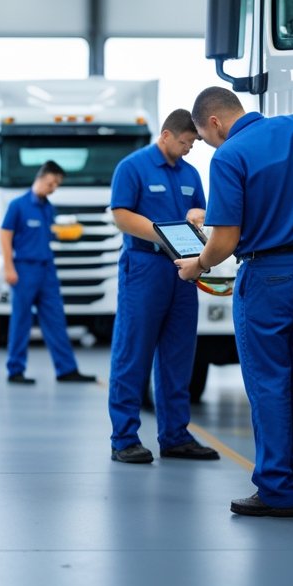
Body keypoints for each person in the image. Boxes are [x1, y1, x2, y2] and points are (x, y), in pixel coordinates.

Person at [175, 40, 293, 517]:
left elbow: (223, 243)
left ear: (215, 123)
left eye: (206, 136)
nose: (210, 144)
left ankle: (279, 492)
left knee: (269, 385)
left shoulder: (229, 157)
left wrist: (195, 265)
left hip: (268, 277)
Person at [108, 109, 219, 464]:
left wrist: (198, 216)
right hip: (144, 268)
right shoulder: (133, 167)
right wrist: (161, 232)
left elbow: (201, 210)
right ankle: (124, 438)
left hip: (184, 272)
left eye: (193, 143)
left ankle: (175, 436)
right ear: (168, 135)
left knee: (178, 355)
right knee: (133, 352)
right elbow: (121, 214)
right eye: (186, 142)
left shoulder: (190, 173)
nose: (189, 149)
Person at [0, 161, 96, 385]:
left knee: (55, 319)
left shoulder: (47, 208)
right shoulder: (18, 205)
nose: (53, 188)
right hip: (24, 269)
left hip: (47, 269)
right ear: (41, 178)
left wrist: (67, 232)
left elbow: (48, 234)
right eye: (52, 183)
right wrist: (8, 267)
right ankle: (15, 370)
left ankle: (66, 369)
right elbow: (5, 234)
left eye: (57, 185)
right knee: (21, 320)